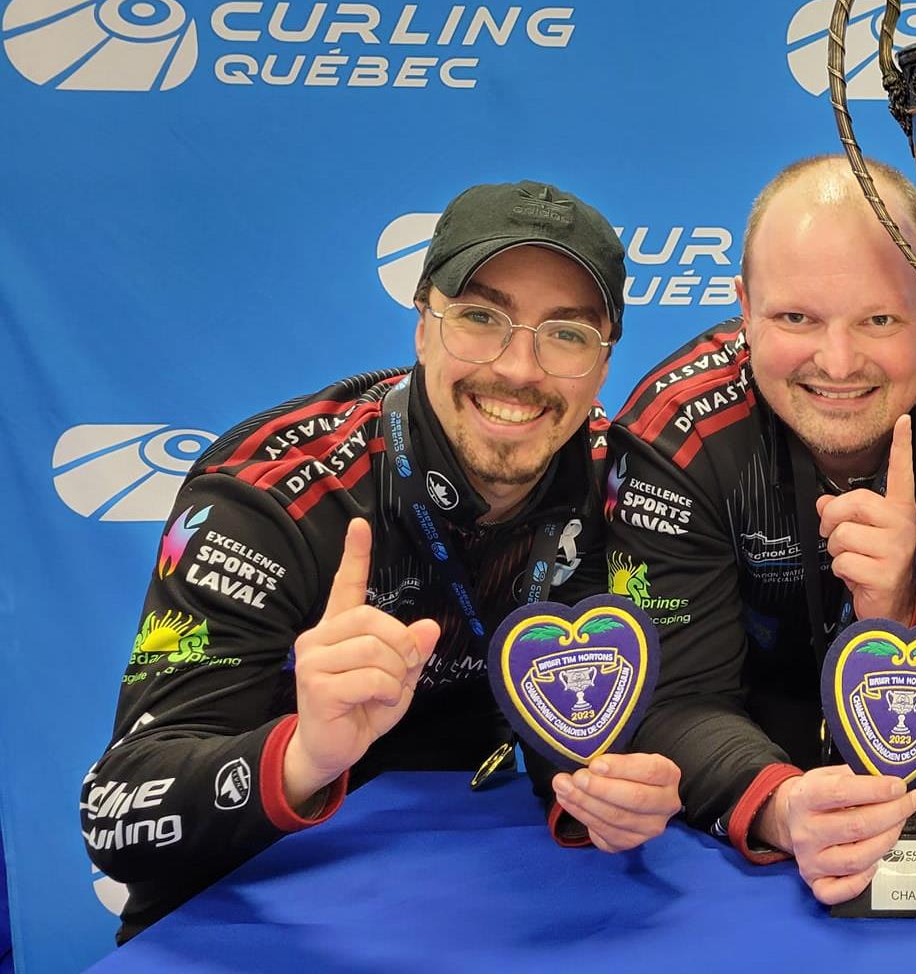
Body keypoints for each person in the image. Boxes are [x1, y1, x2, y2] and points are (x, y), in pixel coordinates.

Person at [82, 181, 682, 942]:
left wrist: (613, 786)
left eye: (565, 334)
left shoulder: (622, 485)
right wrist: (302, 753)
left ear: (602, 365)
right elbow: (116, 816)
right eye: (480, 318)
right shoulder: (272, 495)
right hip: (260, 925)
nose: (520, 369)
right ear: (423, 326)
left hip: (509, 912)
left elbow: (621, 735)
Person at [606, 156, 916, 904]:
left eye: (879, 319)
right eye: (795, 318)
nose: (837, 363)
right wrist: (779, 805)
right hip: (755, 781)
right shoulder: (677, 436)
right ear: (743, 307)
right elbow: (672, 696)